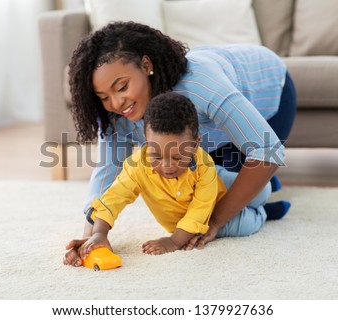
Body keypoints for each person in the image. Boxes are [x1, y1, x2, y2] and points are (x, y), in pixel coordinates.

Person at [63, 21, 296, 266]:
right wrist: (89, 238)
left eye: (122, 87)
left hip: (267, 91)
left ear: (146, 66)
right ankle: (255, 180)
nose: (116, 103)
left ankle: (265, 186)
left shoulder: (200, 84)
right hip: (201, 141)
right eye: (103, 97)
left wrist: (213, 222)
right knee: (197, 185)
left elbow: (267, 149)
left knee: (240, 188)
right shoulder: (115, 115)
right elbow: (107, 174)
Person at [64, 92, 272, 262]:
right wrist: (99, 233)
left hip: (211, 185)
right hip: (196, 218)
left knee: (263, 189)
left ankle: (259, 198)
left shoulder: (204, 165)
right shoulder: (136, 166)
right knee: (247, 224)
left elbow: (201, 205)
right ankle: (264, 213)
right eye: (156, 155)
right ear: (146, 141)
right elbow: (113, 198)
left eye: (177, 156)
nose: (167, 166)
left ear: (195, 144)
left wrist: (172, 243)